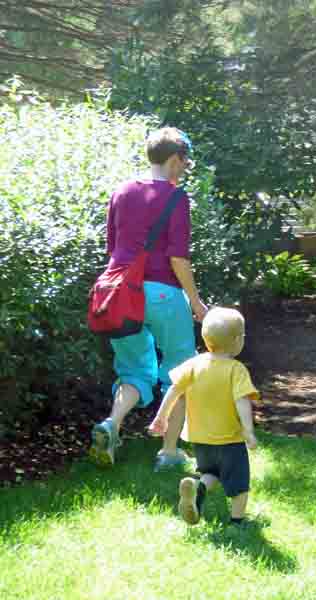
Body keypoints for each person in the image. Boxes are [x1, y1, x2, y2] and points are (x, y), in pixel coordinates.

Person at [89, 127, 209, 469]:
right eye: (184, 161)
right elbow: (178, 259)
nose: (185, 168)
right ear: (174, 159)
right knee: (180, 370)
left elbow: (113, 248)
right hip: (162, 293)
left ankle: (111, 424)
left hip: (119, 295)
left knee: (133, 370)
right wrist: (196, 302)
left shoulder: (121, 191)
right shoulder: (176, 197)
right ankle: (168, 453)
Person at [148, 307, 259, 526]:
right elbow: (242, 401)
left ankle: (199, 488)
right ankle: (238, 522)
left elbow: (174, 390)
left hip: (200, 438)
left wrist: (161, 417)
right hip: (229, 439)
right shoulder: (236, 370)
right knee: (239, 483)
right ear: (237, 341)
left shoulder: (194, 364)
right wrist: (248, 430)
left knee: (211, 472)